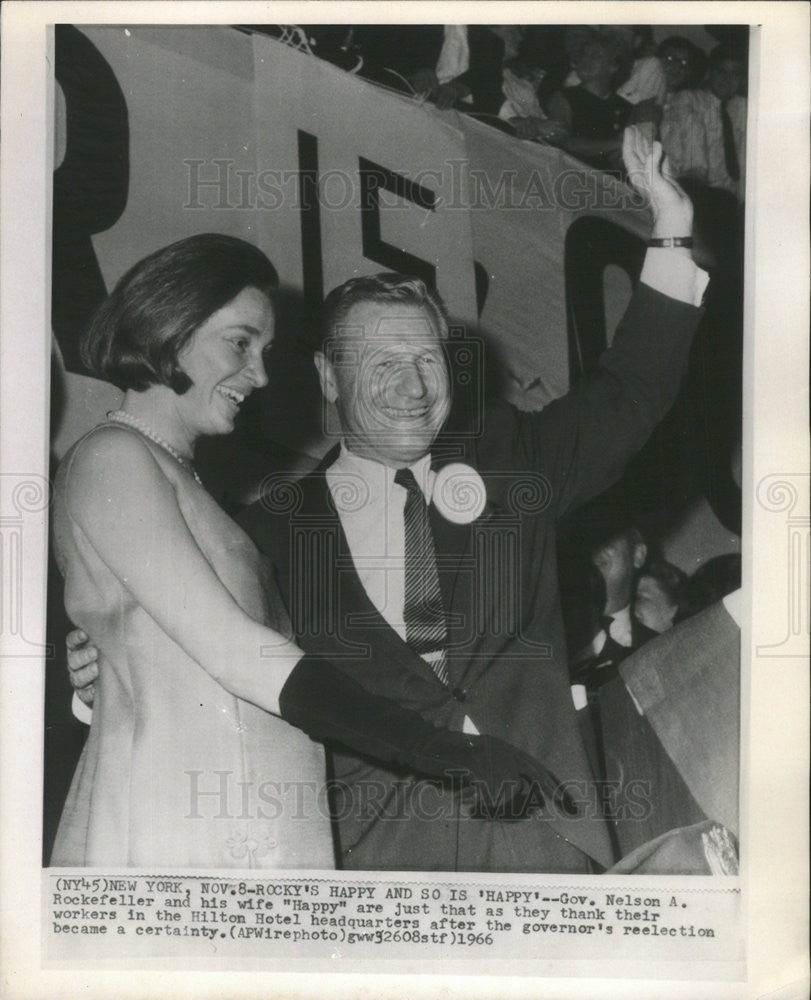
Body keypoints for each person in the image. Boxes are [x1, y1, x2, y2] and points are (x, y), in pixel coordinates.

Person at [69, 128, 707, 873]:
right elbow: (214, 663)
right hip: (374, 865)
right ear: (329, 377)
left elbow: (631, 390)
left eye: (426, 360)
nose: (411, 387)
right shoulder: (264, 531)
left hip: (546, 841)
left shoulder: (515, 462)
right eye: (380, 363)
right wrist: (99, 673)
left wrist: (669, 227)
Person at [51, 234, 574, 869]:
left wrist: (107, 662)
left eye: (266, 351)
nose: (262, 375)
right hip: (183, 828)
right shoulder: (113, 456)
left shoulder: (187, 483)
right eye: (240, 343)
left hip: (257, 827)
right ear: (171, 324)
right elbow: (237, 651)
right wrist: (440, 749)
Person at [660, 42, 748, 202]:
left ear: (742, 79)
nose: (727, 79)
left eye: (735, 74)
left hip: (732, 200)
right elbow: (693, 146)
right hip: (694, 191)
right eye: (721, 71)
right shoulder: (690, 99)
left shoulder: (743, 107)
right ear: (710, 72)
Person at [544, 32, 633, 172]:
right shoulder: (565, 97)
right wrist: (619, 144)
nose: (586, 60)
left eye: (596, 56)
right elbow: (564, 141)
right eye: (584, 55)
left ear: (614, 67)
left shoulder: (625, 108)